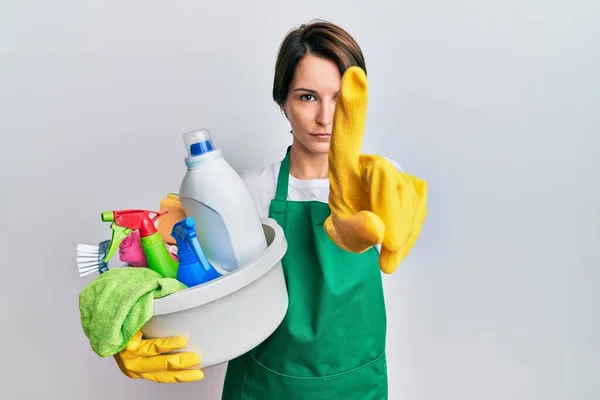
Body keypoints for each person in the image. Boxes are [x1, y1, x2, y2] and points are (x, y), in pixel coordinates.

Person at [113, 19, 427, 400]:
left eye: (339, 97)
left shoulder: (378, 182)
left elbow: (399, 222)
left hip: (356, 384)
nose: (326, 118)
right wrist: (128, 326)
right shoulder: (248, 192)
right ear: (283, 102)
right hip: (265, 385)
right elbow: (187, 279)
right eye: (307, 97)